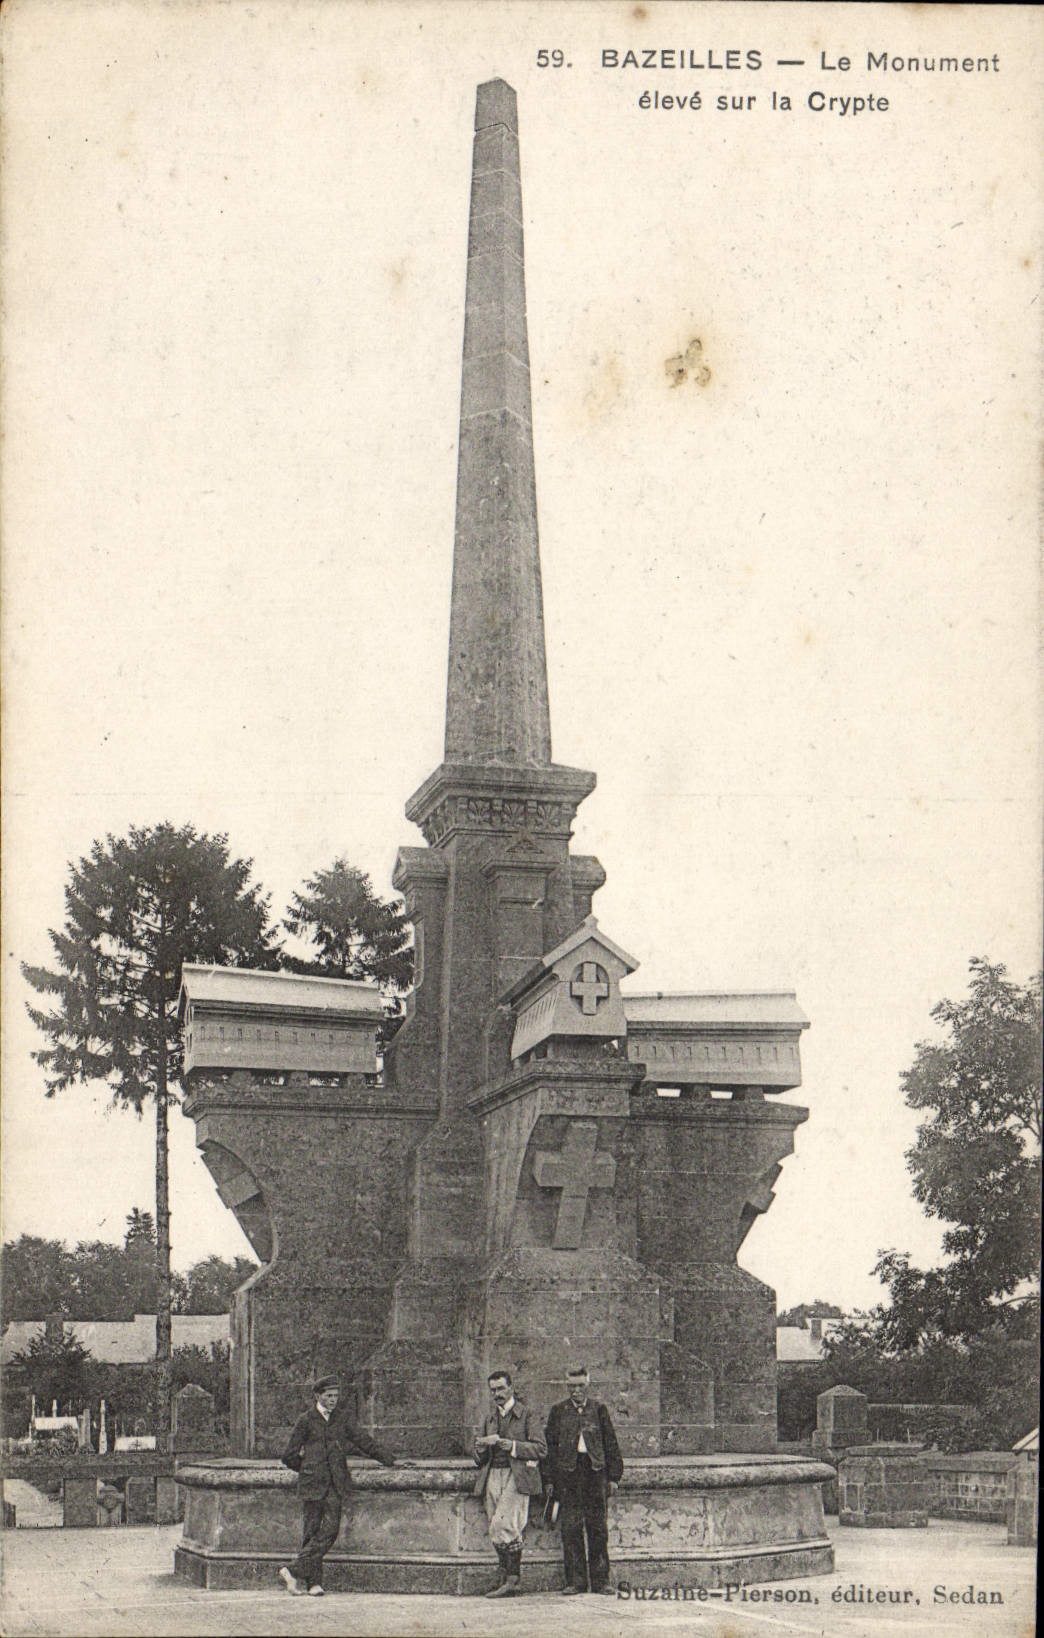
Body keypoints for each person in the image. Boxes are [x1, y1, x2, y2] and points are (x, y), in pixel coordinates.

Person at [278, 1374, 399, 1596]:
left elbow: (364, 1441)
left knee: (330, 1531)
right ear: (318, 1396)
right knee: (311, 1532)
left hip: (335, 1484)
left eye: (336, 1395)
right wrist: (308, 1470)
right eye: (329, 1396)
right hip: (312, 1484)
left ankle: (293, 1570)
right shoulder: (306, 1420)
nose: (334, 1400)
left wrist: (390, 1459)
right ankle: (313, 1583)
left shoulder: (342, 1418)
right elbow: (289, 1455)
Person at [544, 1364, 623, 1595]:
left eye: (580, 1386)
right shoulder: (558, 1411)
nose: (576, 1391)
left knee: (598, 1527)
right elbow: (550, 1447)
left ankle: (600, 1581)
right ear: (567, 1386)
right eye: (572, 1386)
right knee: (571, 1527)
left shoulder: (599, 1410)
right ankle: (575, 1582)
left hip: (594, 1472)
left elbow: (611, 1443)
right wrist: (549, 1479)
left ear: (587, 1385)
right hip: (568, 1474)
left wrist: (614, 1477)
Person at [473, 1368, 547, 1598]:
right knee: (497, 1525)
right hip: (493, 1475)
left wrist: (512, 1446)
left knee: (503, 1526)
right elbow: (480, 1460)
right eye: (493, 1390)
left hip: (518, 1476)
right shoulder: (490, 1418)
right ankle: (507, 1576)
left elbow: (541, 1449)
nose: (497, 1394)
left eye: (501, 1388)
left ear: (511, 1388)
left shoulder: (527, 1414)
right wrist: (479, 1449)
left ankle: (512, 1578)